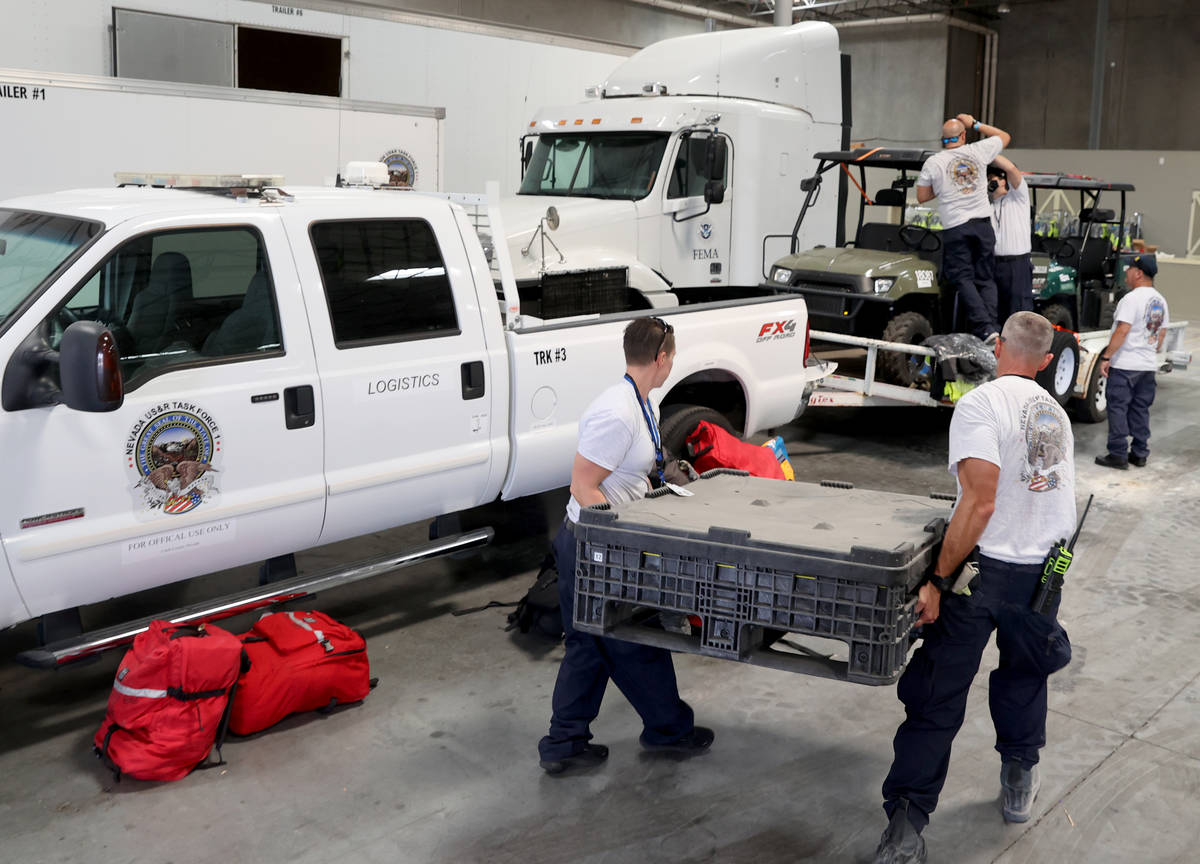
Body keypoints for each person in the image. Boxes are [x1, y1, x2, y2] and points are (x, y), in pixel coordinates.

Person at [872, 311, 1076, 864]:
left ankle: (907, 824)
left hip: (982, 573)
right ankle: (1018, 778)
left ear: (996, 346)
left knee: (938, 693)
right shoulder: (1056, 413)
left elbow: (980, 502)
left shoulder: (982, 404)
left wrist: (938, 578)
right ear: (1047, 361)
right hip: (1043, 576)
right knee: (1024, 678)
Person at [537, 316, 714, 775]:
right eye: (672, 356)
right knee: (628, 641)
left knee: (598, 644)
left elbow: (626, 470)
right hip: (595, 546)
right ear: (662, 358)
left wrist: (665, 474)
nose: (672, 363)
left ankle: (571, 743)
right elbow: (582, 486)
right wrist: (617, 546)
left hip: (604, 543)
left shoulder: (641, 404)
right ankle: (663, 730)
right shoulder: (616, 412)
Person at [916, 113, 1012, 341]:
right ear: (963, 135)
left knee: (963, 279)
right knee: (986, 279)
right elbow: (1004, 136)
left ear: (943, 139)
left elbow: (921, 196)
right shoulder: (978, 150)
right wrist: (975, 124)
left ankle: (985, 329)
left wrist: (942, 189)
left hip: (956, 226)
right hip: (982, 224)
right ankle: (992, 329)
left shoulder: (934, 162)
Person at [1095, 253, 1169, 469]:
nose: (1125, 272)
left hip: (1126, 365)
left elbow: (1123, 330)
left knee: (1118, 408)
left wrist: (1107, 356)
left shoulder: (1131, 299)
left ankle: (1117, 454)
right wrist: (1148, 350)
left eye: (1128, 269)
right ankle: (1139, 453)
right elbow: (1161, 333)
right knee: (1140, 409)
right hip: (1147, 366)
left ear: (1138, 273)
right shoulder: (1160, 300)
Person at [988, 154, 1034, 322]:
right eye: (990, 180)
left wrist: (987, 152)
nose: (994, 183)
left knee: (1019, 314)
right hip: (992, 263)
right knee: (994, 311)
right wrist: (992, 195)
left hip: (1017, 264)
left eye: (997, 178)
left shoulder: (1018, 195)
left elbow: (1012, 169)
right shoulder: (987, 202)